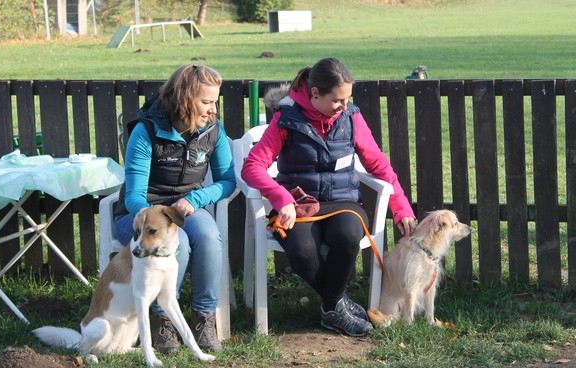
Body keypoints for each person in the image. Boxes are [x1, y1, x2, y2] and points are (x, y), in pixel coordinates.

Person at [241, 57, 417, 337]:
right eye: (337, 100)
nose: (344, 106)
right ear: (315, 94)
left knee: (347, 236)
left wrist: (401, 207)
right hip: (298, 205)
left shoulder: (351, 117)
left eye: (347, 99)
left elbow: (378, 164)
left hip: (344, 203)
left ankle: (332, 307)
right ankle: (336, 305)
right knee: (301, 251)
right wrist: (281, 198)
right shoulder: (285, 119)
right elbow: (252, 167)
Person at [113, 64, 236, 352]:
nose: (212, 110)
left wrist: (194, 200)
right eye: (206, 102)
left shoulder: (214, 130)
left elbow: (228, 181)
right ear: (184, 99)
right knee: (179, 243)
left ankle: (204, 318)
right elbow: (134, 195)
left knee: (209, 237)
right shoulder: (145, 131)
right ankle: (163, 320)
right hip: (140, 216)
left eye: (215, 102)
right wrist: (159, 218)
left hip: (187, 207)